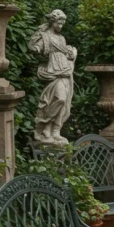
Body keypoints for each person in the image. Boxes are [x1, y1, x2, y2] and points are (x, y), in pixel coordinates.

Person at [28, 9, 77, 145]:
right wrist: (37, 47)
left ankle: (54, 130)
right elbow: (34, 48)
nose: (60, 27)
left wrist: (71, 54)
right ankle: (44, 124)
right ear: (52, 22)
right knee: (59, 99)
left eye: (62, 24)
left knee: (65, 102)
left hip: (65, 71)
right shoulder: (45, 37)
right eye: (58, 24)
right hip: (53, 72)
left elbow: (66, 55)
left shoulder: (61, 38)